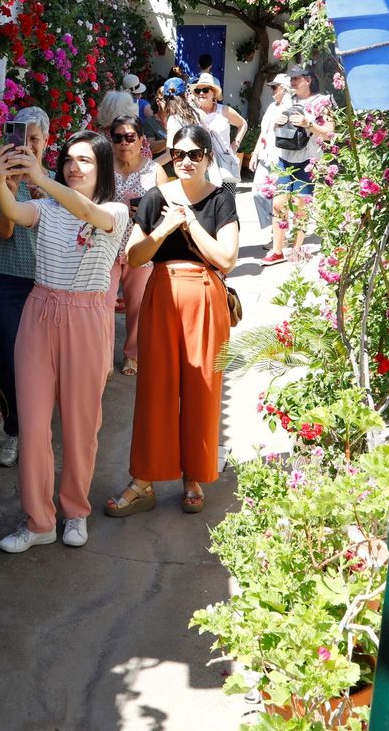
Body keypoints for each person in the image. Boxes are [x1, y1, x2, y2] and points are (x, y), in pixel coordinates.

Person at [0, 130, 129, 553]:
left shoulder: (115, 210)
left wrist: (41, 178)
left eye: (85, 160)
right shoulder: (47, 208)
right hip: (40, 312)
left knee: (80, 427)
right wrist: (2, 180)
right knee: (32, 426)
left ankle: (75, 511)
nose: (74, 166)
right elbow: (14, 211)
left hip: (86, 320)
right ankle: (39, 520)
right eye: (69, 158)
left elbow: (89, 213)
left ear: (102, 167)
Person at [105, 124, 240, 517]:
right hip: (162, 292)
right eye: (178, 154)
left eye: (194, 154)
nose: (184, 161)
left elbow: (227, 258)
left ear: (207, 158)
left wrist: (191, 223)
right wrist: (165, 227)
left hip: (204, 297)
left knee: (201, 388)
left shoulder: (220, 200)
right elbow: (135, 257)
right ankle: (143, 479)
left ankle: (193, 475)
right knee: (155, 389)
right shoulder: (154, 198)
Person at [0, 105, 51, 467]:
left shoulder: (57, 181)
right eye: (20, 139)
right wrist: (7, 189)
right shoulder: (1, 179)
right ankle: (14, 432)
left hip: (48, 283)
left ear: (45, 142)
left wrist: (44, 189)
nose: (27, 147)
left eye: (35, 139)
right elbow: (4, 232)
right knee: (10, 359)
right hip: (10, 282)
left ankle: (39, 429)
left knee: (46, 363)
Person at [263, 66, 335, 263]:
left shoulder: (322, 102)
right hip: (285, 156)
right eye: (291, 79)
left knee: (300, 204)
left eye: (297, 78)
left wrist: (308, 123)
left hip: (307, 159)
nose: (293, 82)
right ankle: (277, 250)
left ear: (308, 80)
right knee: (278, 203)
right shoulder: (286, 101)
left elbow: (330, 131)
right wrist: (277, 121)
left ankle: (297, 248)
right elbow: (273, 127)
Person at [106, 115, 161, 377]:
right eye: (118, 137)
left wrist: (147, 213)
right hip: (105, 246)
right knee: (102, 304)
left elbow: (167, 209)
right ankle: (103, 358)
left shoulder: (154, 171)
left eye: (130, 137)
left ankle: (133, 355)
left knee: (138, 306)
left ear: (141, 141)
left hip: (139, 247)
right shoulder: (102, 169)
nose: (124, 143)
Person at [244, 73, 292, 233]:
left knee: (277, 197)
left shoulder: (290, 107)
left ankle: (278, 232)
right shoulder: (272, 107)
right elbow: (264, 132)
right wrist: (255, 152)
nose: (272, 91)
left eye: (275, 87)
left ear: (284, 89)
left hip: (280, 157)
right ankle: (274, 227)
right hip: (265, 155)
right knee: (258, 192)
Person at [188, 72, 247, 187]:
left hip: (224, 165)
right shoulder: (192, 113)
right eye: (197, 90)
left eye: (205, 90)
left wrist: (235, 144)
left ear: (214, 93)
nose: (201, 93)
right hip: (200, 165)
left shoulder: (224, 111)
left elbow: (243, 124)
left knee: (225, 201)